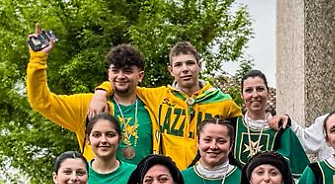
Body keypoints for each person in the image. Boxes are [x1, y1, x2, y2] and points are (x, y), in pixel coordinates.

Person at [90, 41, 242, 170]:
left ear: (199, 66)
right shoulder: (158, 97)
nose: (185, 69)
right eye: (178, 65)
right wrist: (101, 92)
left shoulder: (223, 102)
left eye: (190, 63)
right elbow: (124, 84)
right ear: (171, 70)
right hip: (171, 177)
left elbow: (245, 132)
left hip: (208, 174)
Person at [26, 35, 159, 163]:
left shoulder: (153, 103)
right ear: (108, 73)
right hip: (98, 179)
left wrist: (103, 90)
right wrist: (38, 59)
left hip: (143, 179)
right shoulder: (88, 105)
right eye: (115, 71)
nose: (120, 76)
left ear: (140, 76)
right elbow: (42, 101)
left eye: (127, 71)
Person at [232, 69, 308, 173]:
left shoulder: (282, 130)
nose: (255, 95)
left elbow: (299, 173)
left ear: (268, 92)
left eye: (260, 89)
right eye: (249, 90)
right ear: (242, 95)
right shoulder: (232, 127)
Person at [180, 116, 241, 184]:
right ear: (198, 143)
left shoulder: (244, 179)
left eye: (221, 141)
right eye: (207, 140)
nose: (213, 146)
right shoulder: (181, 178)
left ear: (231, 146)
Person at [84, 113, 136, 184]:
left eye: (110, 135)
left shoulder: (135, 174)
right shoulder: (78, 174)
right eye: (97, 135)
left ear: (120, 139)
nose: (103, 140)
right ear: (88, 139)